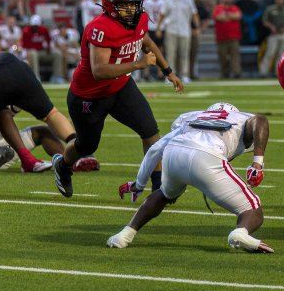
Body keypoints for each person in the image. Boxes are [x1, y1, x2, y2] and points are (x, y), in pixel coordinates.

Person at [52, 0, 184, 198]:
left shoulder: (139, 19)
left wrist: (168, 71)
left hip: (121, 86)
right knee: (86, 146)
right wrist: (138, 64)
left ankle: (158, 188)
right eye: (125, 4)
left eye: (134, 4)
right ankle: (63, 165)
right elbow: (99, 70)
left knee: (150, 132)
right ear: (110, 4)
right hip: (90, 96)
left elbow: (147, 42)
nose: (131, 9)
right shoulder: (100, 28)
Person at [108, 102, 271, 253]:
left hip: (174, 152)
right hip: (207, 156)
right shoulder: (240, 118)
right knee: (252, 210)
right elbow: (261, 120)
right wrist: (257, 164)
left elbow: (155, 149)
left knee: (165, 194)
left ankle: (124, 235)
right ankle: (240, 233)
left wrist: (139, 184)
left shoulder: (193, 116)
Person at [161, 0, 198, 81]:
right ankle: (170, 76)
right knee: (171, 54)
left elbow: (194, 14)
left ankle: (185, 75)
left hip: (185, 30)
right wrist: (159, 27)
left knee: (184, 54)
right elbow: (162, 14)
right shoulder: (168, 0)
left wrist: (197, 27)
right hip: (171, 30)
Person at [259, 0, 284, 76]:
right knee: (269, 53)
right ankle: (263, 72)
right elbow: (264, 21)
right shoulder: (270, 9)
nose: (279, 0)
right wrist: (271, 26)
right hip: (273, 34)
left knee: (281, 54)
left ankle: (278, 72)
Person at [212, 0, 242, 78]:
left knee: (235, 56)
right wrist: (231, 16)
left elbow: (238, 16)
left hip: (234, 36)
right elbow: (219, 17)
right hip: (221, 37)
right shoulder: (218, 8)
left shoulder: (235, 8)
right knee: (223, 56)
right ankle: (225, 73)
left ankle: (236, 73)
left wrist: (226, 16)